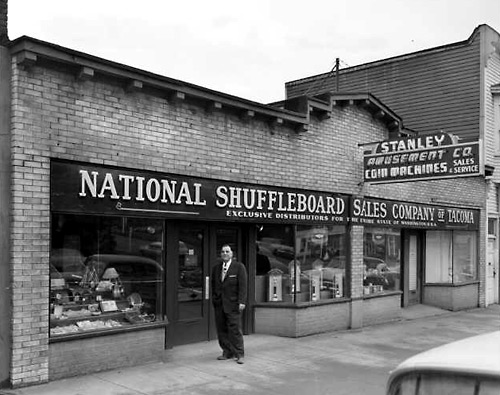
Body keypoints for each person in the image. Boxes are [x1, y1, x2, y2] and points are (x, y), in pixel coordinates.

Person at [211, 244, 248, 364]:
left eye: (227, 251)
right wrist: (214, 299)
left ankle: (239, 354)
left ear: (232, 254)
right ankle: (227, 352)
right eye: (222, 252)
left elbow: (243, 286)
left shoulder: (239, 267)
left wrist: (242, 301)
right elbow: (214, 285)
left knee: (235, 329)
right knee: (221, 329)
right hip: (219, 304)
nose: (225, 254)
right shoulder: (216, 268)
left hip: (233, 304)